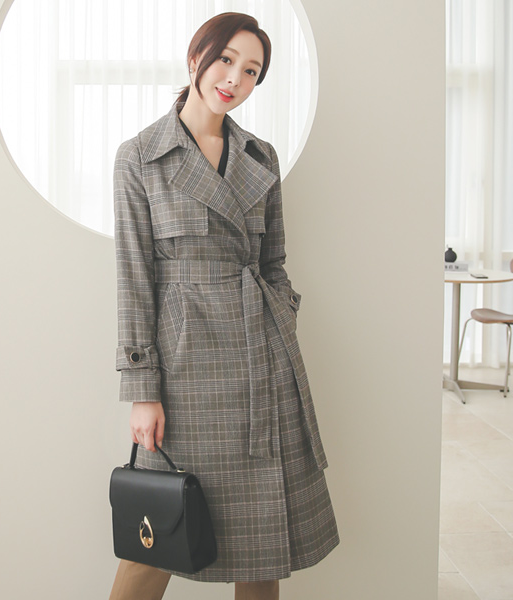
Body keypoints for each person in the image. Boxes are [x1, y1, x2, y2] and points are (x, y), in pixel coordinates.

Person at [110, 12, 339, 600]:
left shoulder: (261, 156)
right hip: (186, 371)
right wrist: (143, 389)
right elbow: (134, 278)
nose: (235, 78)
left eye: (252, 70)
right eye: (226, 60)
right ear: (197, 59)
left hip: (263, 361)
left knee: (262, 539)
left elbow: (273, 261)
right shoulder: (141, 157)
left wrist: (280, 314)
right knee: (156, 536)